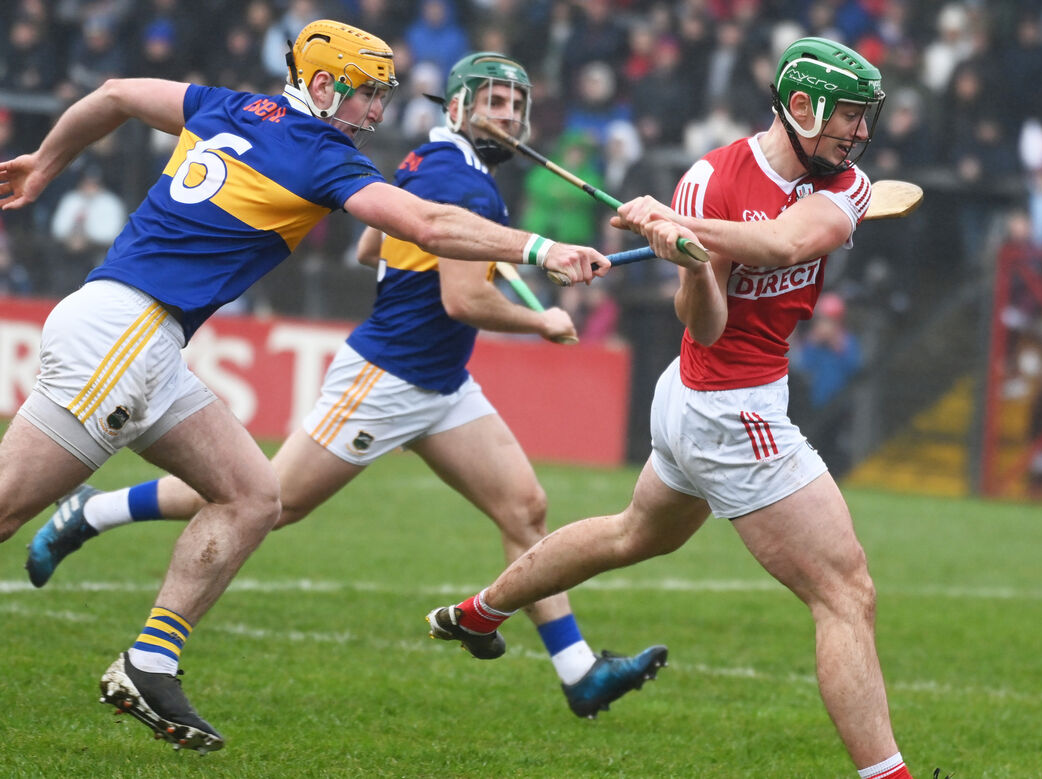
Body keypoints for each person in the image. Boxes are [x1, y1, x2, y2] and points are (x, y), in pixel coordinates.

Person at [0, 20, 605, 755]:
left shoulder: (229, 105)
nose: (378, 113)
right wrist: (543, 249)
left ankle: (148, 661)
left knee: (254, 494)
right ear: (324, 86)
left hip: (148, 344)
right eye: (368, 97)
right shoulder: (319, 155)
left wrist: (43, 163)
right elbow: (427, 223)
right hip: (122, 336)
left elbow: (117, 93)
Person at [428, 37, 920, 779]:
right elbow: (708, 324)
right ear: (799, 105)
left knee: (632, 534)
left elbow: (785, 245)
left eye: (863, 117)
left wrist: (689, 233)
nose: (858, 132)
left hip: (703, 401)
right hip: (727, 407)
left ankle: (481, 610)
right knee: (846, 591)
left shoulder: (845, 186)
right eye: (847, 115)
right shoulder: (709, 181)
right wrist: (693, 264)